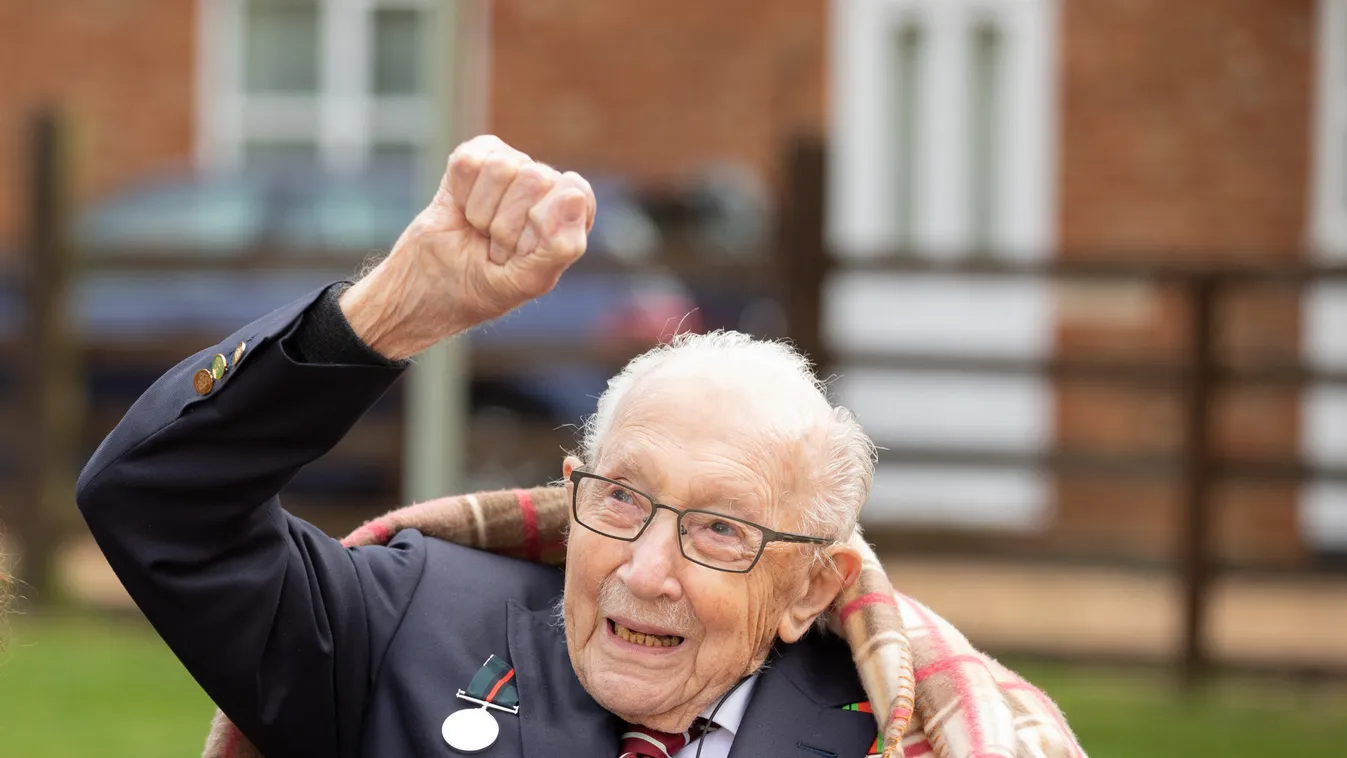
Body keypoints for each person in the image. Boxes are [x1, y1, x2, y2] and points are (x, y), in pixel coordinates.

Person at [78, 136, 1084, 758]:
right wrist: (390, 309)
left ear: (812, 588)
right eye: (624, 501)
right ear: (573, 491)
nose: (646, 571)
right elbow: (158, 502)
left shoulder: (902, 729)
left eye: (721, 529)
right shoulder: (404, 622)